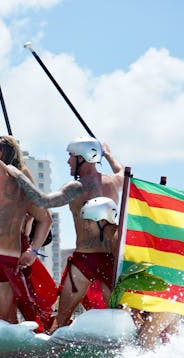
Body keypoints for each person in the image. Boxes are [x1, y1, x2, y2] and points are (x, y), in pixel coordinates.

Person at [0, 100, 83, 339]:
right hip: (11, 263)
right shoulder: (24, 189)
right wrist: (33, 251)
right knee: (8, 323)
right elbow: (46, 219)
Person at [52, 137, 125, 331]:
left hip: (85, 260)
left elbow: (46, 202)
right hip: (111, 259)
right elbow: (123, 173)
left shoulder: (73, 188)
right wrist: (108, 155)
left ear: (83, 157)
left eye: (71, 156)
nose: (68, 161)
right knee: (119, 320)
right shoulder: (114, 182)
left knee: (61, 322)